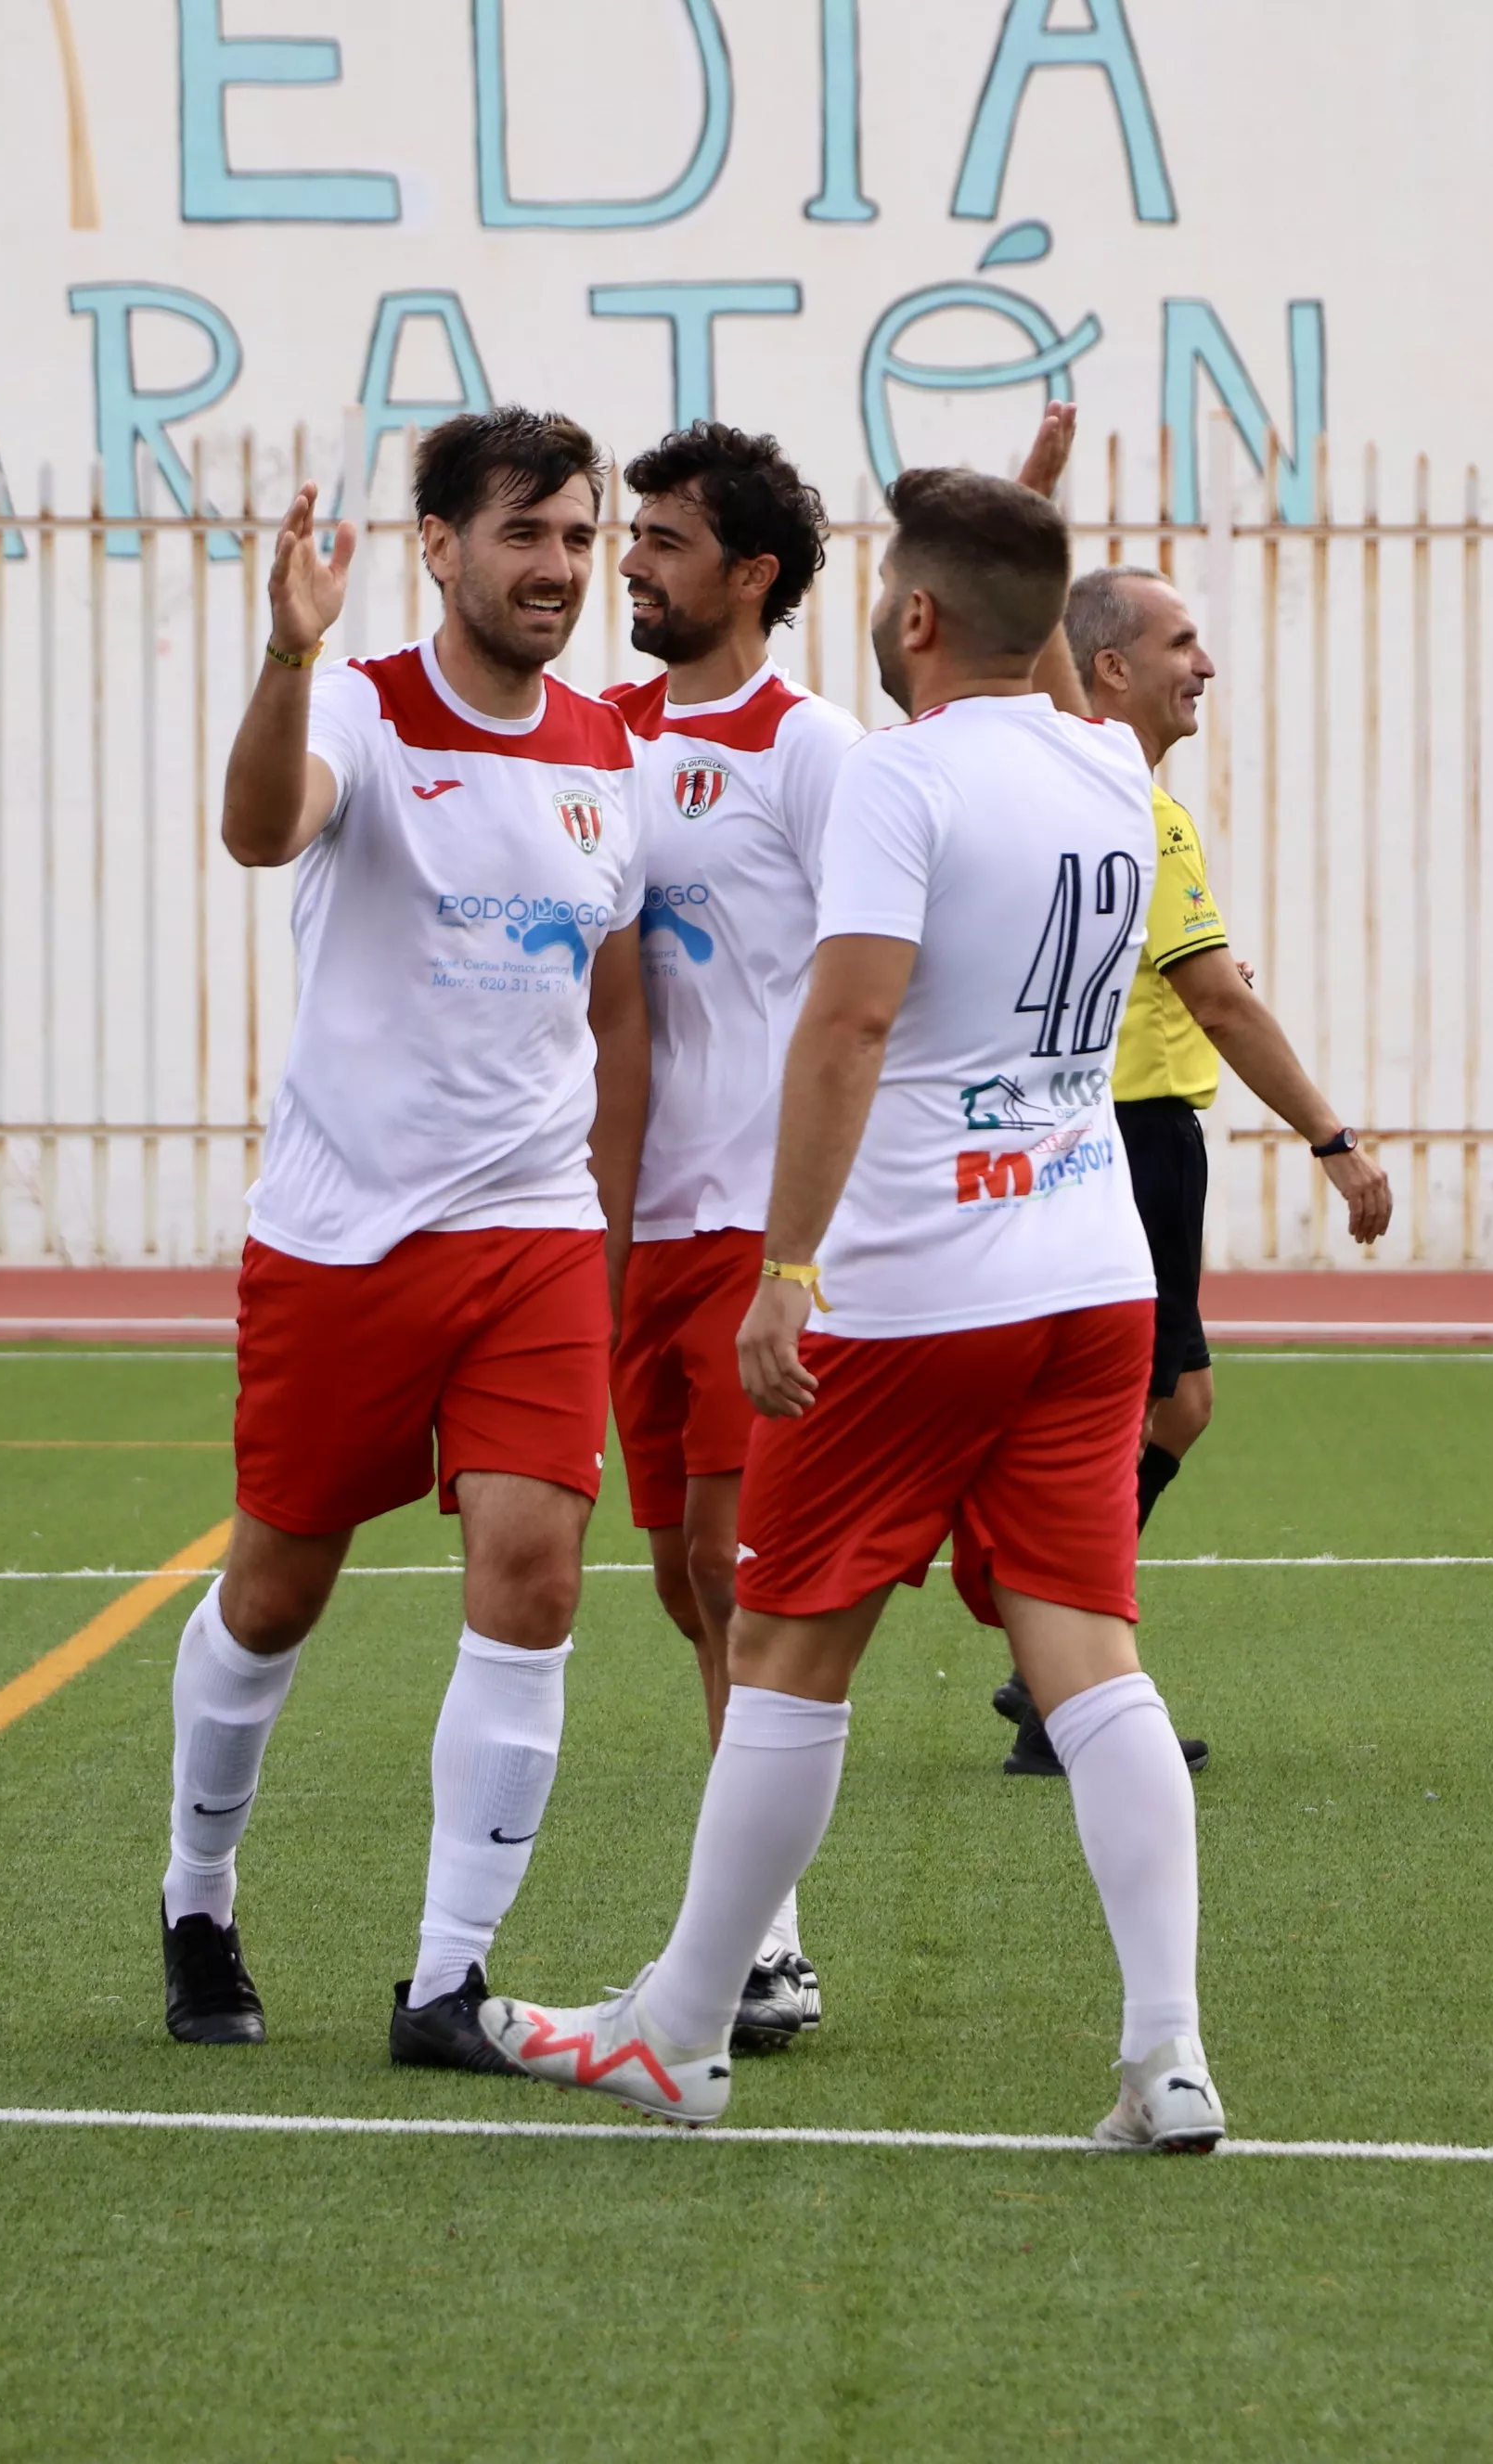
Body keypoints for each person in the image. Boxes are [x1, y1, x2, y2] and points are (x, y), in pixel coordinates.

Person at [484, 466, 1225, 2150]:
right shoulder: (1111, 766)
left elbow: (847, 1031)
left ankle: (682, 2025)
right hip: (1090, 1275)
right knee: (1092, 1659)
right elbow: (1022, 666)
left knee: (785, 1649)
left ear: (910, 621)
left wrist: (790, 1268)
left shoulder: (895, 780)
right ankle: (1167, 2052)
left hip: (915, 1292)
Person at [159, 408, 650, 2062]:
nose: (559, 569)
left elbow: (620, 1005)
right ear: (437, 545)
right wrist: (287, 655)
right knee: (274, 1595)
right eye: (524, 534)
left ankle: (447, 1977)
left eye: (580, 537)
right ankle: (199, 1894)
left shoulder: (609, 754)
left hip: (534, 1233)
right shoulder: (362, 708)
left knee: (535, 1572)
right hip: (343, 1239)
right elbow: (256, 828)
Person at [989, 562, 1392, 1778]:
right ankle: (1059, 1672)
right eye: (1181, 641)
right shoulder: (1138, 814)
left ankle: (1049, 1666)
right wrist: (1335, 1140)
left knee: (1169, 1402)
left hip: (1113, 1132)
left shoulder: (1084, 798)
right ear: (1110, 669)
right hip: (1135, 1131)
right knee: (1146, 1406)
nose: (1204, 663)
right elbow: (1218, 1001)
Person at [598, 421, 866, 2053]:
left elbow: (871, 985)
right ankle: (750, 1915)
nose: (629, 559)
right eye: (630, 533)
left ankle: (761, 1939)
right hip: (625, 1218)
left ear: (751, 575)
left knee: (732, 1570)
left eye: (664, 539)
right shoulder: (589, 731)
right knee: (683, 1586)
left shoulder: (811, 747)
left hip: (759, 1222)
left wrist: (822, 1231)